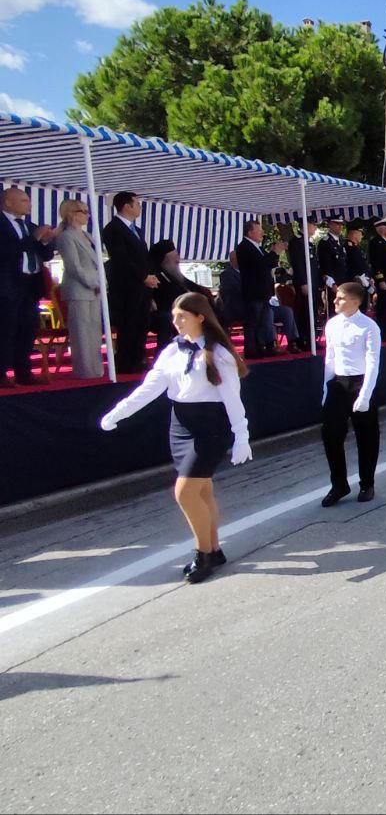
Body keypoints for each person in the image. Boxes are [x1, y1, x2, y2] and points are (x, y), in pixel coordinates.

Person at [99, 292, 251, 583]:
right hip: (180, 425)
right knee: (202, 491)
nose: (176, 322)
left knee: (185, 493)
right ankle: (214, 549)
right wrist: (119, 412)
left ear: (200, 317)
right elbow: (149, 388)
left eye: (182, 316)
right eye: (174, 317)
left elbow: (233, 398)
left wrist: (241, 434)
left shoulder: (220, 354)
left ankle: (202, 554)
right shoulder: (172, 351)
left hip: (210, 427)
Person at [319, 282, 382, 507]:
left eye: (341, 298)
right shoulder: (332, 324)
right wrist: (326, 387)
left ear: (355, 301)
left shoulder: (369, 326)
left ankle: (367, 483)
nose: (335, 301)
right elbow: (330, 357)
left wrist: (365, 394)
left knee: (366, 436)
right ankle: (339, 484)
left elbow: (373, 362)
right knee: (331, 434)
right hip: (338, 383)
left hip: (361, 382)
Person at [0, 187, 57, 387]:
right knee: (6, 329)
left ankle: (23, 372)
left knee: (27, 329)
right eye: (24, 201)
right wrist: (34, 238)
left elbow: (45, 255)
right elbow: (6, 252)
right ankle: (1, 373)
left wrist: (46, 242)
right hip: (8, 285)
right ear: (8, 202)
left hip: (31, 284)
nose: (29, 205)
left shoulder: (29, 226)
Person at [101, 191, 159, 375]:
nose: (140, 207)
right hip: (126, 286)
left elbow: (143, 257)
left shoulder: (137, 230)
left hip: (142, 286)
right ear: (127, 206)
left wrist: (150, 275)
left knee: (141, 323)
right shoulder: (113, 229)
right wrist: (142, 276)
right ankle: (126, 363)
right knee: (129, 324)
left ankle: (138, 358)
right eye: (137, 204)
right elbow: (121, 259)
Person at [53, 198, 104, 379]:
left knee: (94, 329)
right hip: (78, 288)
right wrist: (93, 282)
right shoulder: (66, 236)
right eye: (83, 211)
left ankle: (96, 368)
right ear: (71, 214)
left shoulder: (88, 236)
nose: (87, 215)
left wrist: (101, 283)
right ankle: (84, 370)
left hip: (94, 288)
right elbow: (73, 265)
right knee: (81, 331)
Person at [235, 220, 287, 359]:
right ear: (250, 232)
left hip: (263, 292)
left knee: (262, 322)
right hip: (254, 292)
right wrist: (274, 252)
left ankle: (261, 346)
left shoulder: (258, 248)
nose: (262, 234)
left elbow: (269, 263)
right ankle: (251, 349)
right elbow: (259, 265)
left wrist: (276, 254)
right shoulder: (244, 247)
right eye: (259, 231)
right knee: (253, 321)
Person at [286, 220, 319, 350]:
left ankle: (311, 339)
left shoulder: (308, 242)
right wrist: (303, 282)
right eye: (313, 225)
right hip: (304, 283)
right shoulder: (297, 242)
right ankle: (302, 339)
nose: (315, 227)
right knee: (304, 312)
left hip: (312, 282)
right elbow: (298, 264)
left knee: (312, 311)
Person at [316, 217, 347, 315]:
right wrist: (332, 283)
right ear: (330, 224)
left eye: (342, 224)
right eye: (337, 224)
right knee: (334, 310)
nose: (340, 227)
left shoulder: (341, 241)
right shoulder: (325, 242)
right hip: (333, 283)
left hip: (343, 281)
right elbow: (325, 264)